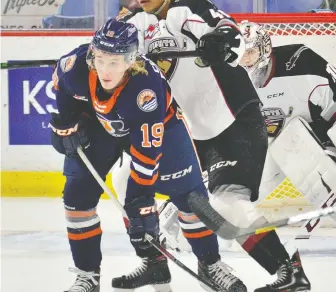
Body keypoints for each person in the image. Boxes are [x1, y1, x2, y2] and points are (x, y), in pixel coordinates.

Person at [110, 0, 311, 292]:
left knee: (227, 208)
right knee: (126, 176)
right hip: (193, 133)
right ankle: (155, 263)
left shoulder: (185, 7)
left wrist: (220, 42)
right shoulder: (138, 25)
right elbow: (105, 52)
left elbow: (230, 30)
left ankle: (289, 272)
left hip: (234, 122)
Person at [50, 18, 247, 292]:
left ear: (131, 61)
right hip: (99, 125)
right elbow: (65, 98)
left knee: (188, 197)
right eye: (101, 59)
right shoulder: (73, 67)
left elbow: (146, 155)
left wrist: (140, 201)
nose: (105, 69)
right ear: (93, 54)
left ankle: (210, 264)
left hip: (163, 128)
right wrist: (65, 125)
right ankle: (90, 275)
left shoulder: (146, 89)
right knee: (76, 196)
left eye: (115, 62)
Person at [238, 21, 336, 227]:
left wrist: (327, 146)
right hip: (276, 146)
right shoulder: (227, 76)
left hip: (318, 137)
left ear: (264, 49)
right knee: (250, 200)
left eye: (251, 52)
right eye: (240, 53)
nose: (245, 60)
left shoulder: (302, 63)